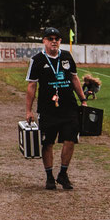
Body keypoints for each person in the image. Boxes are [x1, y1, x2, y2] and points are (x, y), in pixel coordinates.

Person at [26, 26, 88, 190]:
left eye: (57, 39)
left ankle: (63, 173)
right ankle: (49, 176)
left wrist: (83, 99)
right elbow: (32, 86)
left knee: (70, 140)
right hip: (48, 109)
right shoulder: (37, 60)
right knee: (48, 143)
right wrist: (28, 110)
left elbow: (74, 79)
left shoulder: (67, 56)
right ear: (44, 41)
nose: (54, 41)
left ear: (60, 41)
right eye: (50, 38)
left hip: (69, 107)